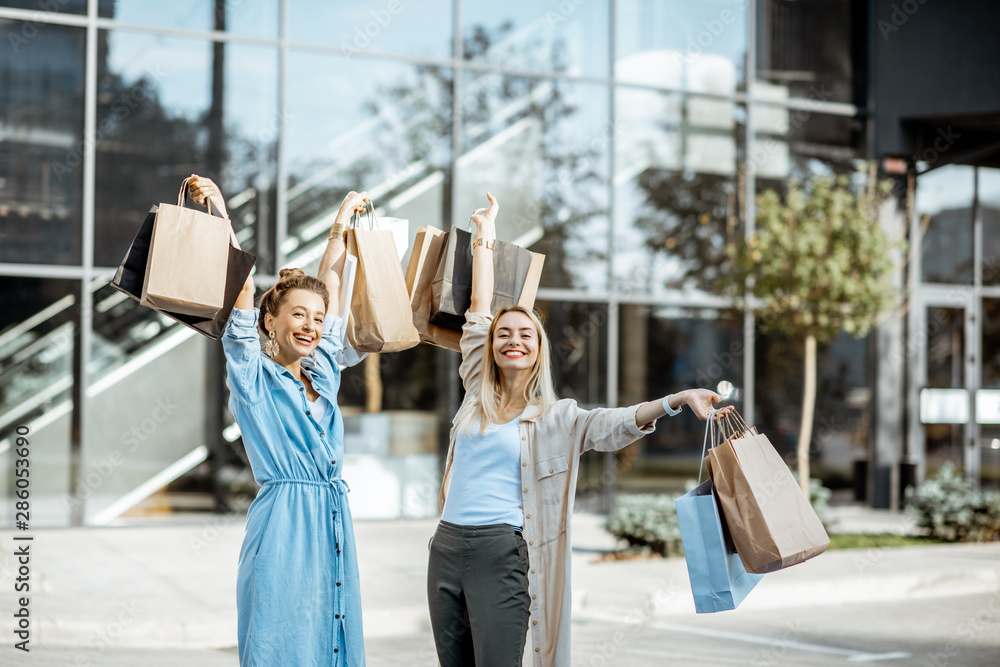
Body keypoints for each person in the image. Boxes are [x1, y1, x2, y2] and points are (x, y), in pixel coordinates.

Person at [426, 193, 733, 667]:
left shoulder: (557, 417)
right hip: (446, 546)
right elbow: (479, 308)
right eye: (504, 334)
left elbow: (617, 423)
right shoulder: (474, 390)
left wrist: (677, 401)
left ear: (538, 350)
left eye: (525, 334)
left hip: (501, 552)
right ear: (491, 347)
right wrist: (485, 235)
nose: (513, 339)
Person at [188, 175, 369, 667]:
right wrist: (220, 212)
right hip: (284, 522)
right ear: (270, 321)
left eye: (317, 317)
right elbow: (242, 284)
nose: (311, 325)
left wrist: (339, 227)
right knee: (281, 641)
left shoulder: (323, 371)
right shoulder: (252, 376)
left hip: (332, 516)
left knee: (333, 635)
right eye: (298, 315)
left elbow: (329, 284)